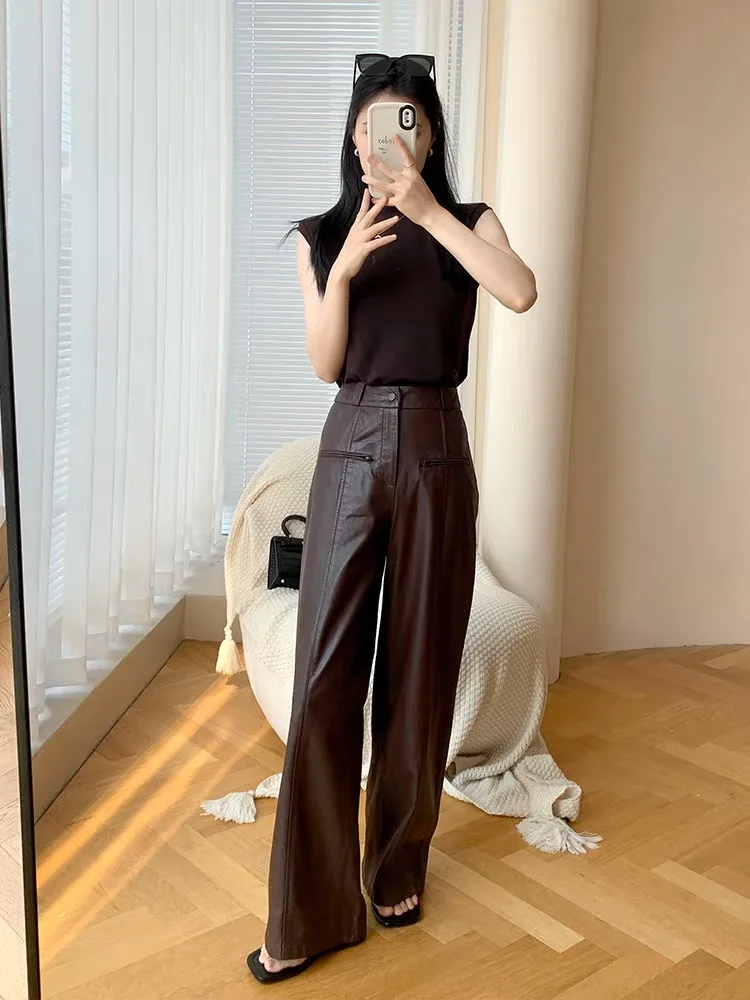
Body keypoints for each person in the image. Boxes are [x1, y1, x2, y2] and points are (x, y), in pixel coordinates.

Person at [247, 52, 536, 985]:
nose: (392, 138)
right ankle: (308, 911)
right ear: (353, 136)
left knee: (420, 668)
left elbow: (520, 289)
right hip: (352, 446)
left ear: (432, 137)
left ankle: (395, 870)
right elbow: (326, 364)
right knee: (324, 677)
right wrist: (343, 272)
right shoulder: (321, 233)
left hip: (439, 450)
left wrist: (428, 213)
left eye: (410, 122)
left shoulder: (468, 222)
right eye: (376, 123)